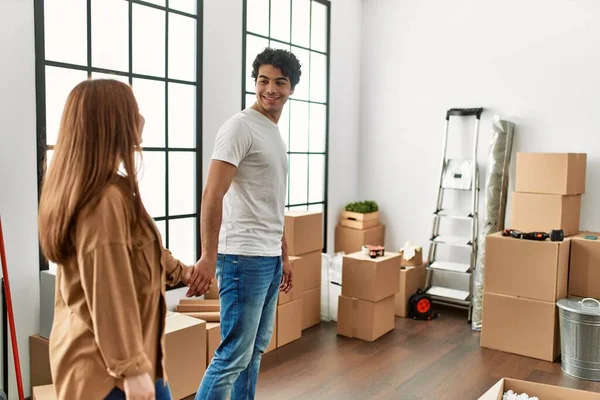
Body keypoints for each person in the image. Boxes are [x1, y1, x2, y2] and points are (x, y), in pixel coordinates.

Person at [37, 79, 193, 400]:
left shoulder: (109, 189)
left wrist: (183, 272)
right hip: (107, 375)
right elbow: (109, 286)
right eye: (134, 111)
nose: (141, 119)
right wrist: (131, 369)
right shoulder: (103, 200)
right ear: (113, 121)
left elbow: (142, 248)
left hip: (126, 361)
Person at [186, 48, 302, 399]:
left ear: (291, 88)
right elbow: (212, 194)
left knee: (252, 353)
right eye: (263, 80)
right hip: (240, 257)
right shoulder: (239, 127)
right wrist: (208, 256)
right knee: (233, 355)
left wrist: (284, 253)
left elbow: (271, 201)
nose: (270, 88)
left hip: (266, 257)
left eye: (279, 82)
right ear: (254, 82)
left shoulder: (272, 132)